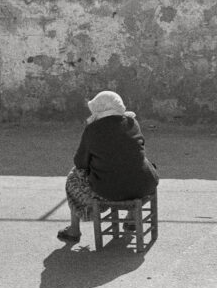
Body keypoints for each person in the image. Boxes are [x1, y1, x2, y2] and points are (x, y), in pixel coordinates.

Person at [58, 91, 159, 244]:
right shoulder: (133, 123)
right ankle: (132, 218)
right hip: (145, 185)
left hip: (110, 191)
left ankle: (74, 230)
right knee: (135, 169)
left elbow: (80, 162)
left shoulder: (92, 129)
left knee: (73, 176)